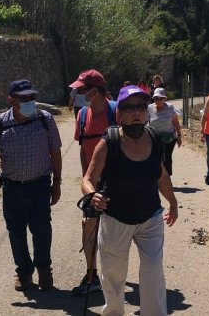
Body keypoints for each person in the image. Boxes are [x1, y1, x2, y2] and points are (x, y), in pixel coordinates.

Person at [82, 85, 179, 316]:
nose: (136, 112)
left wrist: (173, 203)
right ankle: (114, 312)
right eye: (129, 107)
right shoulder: (110, 142)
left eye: (140, 107)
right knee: (114, 274)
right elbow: (89, 178)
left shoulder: (155, 139)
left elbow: (161, 175)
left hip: (150, 217)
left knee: (153, 270)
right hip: (116, 218)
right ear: (120, 113)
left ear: (146, 112)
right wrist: (91, 194)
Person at [0, 79, 62, 292]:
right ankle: (24, 273)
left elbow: (55, 152)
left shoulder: (45, 119)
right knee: (16, 233)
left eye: (32, 97)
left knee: (42, 229)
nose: (29, 102)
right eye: (23, 98)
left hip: (40, 186)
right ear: (11, 100)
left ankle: (44, 270)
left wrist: (57, 183)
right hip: (12, 189)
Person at [70, 69, 116, 296]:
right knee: (89, 223)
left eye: (81, 89)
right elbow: (82, 149)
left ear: (95, 92)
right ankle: (91, 274)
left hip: (117, 181)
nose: (77, 93)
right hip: (94, 182)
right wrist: (85, 178)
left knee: (117, 230)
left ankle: (115, 274)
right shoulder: (81, 116)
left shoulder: (115, 112)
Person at [147, 87, 182, 175]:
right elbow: (145, 122)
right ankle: (157, 176)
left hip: (169, 138)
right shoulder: (150, 108)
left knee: (167, 156)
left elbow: (176, 122)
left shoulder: (170, 107)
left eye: (161, 98)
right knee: (156, 157)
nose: (158, 100)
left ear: (165, 99)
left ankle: (167, 177)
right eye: (156, 98)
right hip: (155, 138)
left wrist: (179, 136)